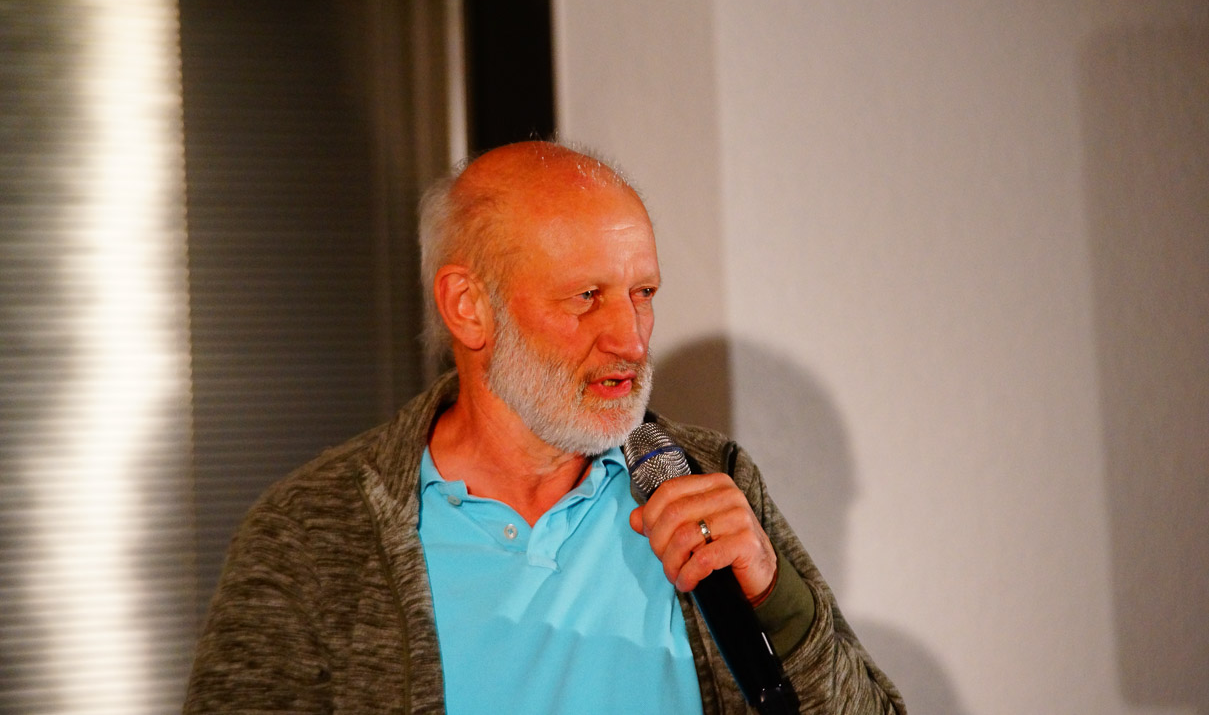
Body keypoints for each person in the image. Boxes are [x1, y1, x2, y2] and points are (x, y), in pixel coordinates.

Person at [184, 141, 905, 714]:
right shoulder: (310, 533)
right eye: (586, 296)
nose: (630, 338)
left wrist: (776, 600)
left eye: (643, 293)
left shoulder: (705, 475)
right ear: (468, 307)